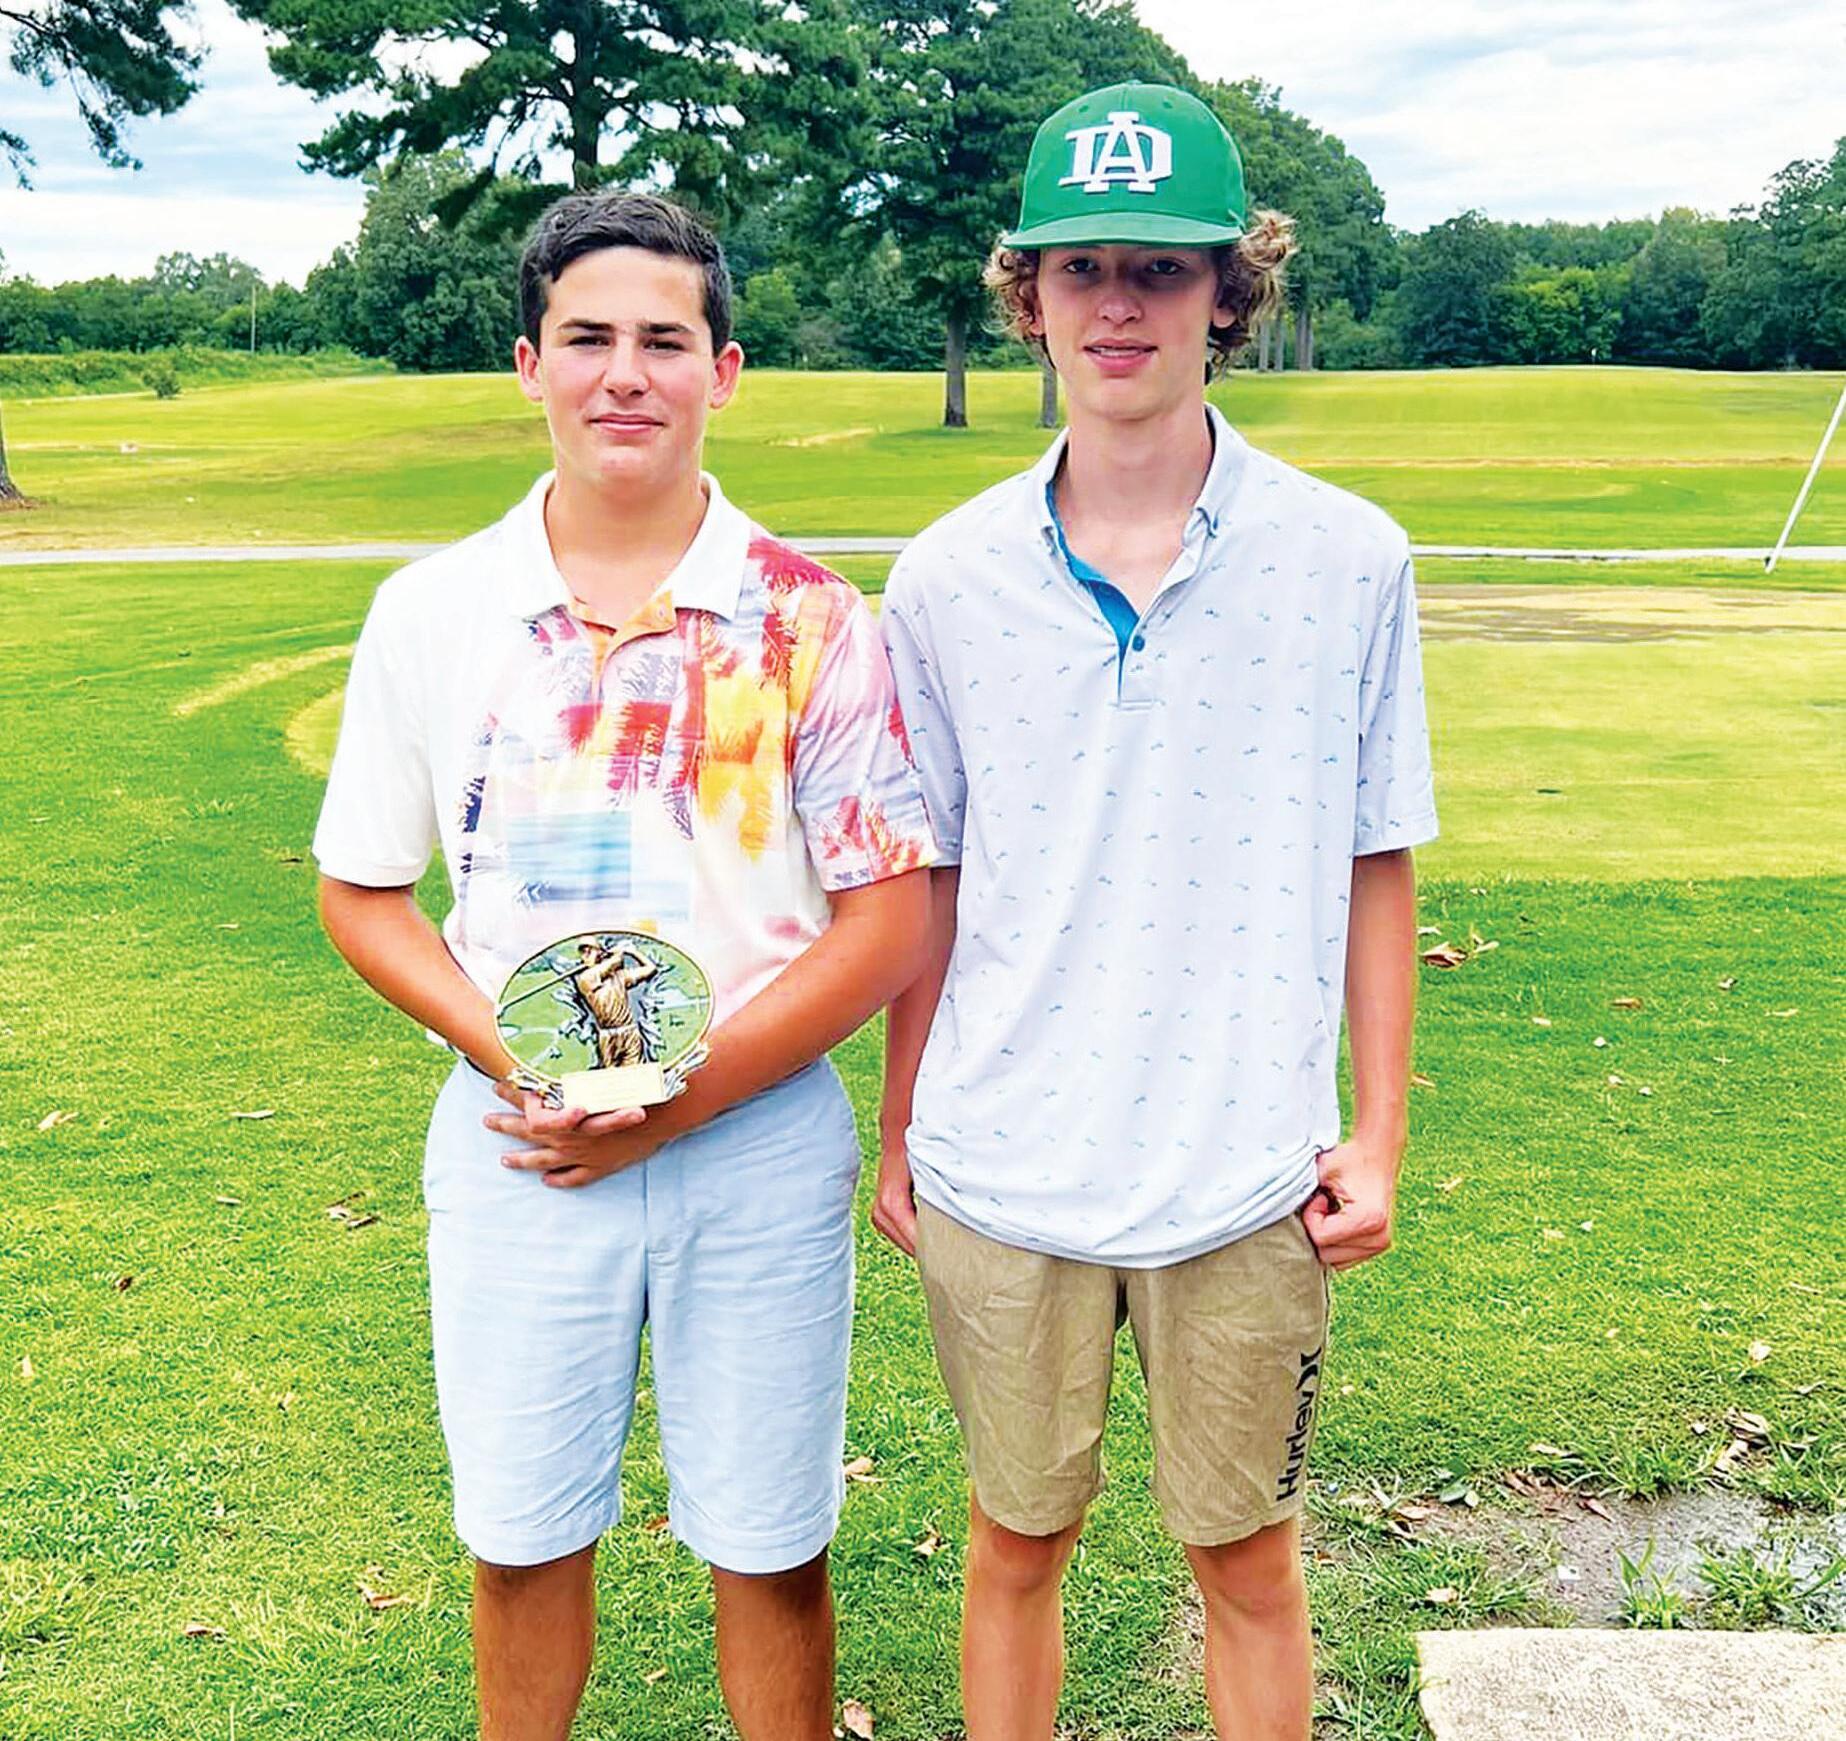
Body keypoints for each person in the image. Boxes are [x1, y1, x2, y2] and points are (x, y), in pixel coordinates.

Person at [313, 189, 935, 1741]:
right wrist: (522, 1056)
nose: (624, 374)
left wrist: (680, 1099)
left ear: (724, 371)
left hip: (756, 1138)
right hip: (519, 1138)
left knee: (769, 1542)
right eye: (586, 337)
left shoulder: (809, 617)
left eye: (664, 339)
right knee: (521, 1537)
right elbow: (364, 892)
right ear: (530, 363)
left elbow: (888, 919)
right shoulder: (432, 612)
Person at [877, 82, 1436, 1741]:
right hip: (1002, 1163)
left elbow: (1375, 856)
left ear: (1225, 293)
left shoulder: (1348, 556)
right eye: (1081, 269)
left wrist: (1377, 1131)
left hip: (1242, 1167)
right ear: (1029, 296)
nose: (1116, 305)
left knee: (1246, 1560)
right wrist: (899, 1129)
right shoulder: (943, 573)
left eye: (1159, 269)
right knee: (1013, 1542)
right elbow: (932, 879)